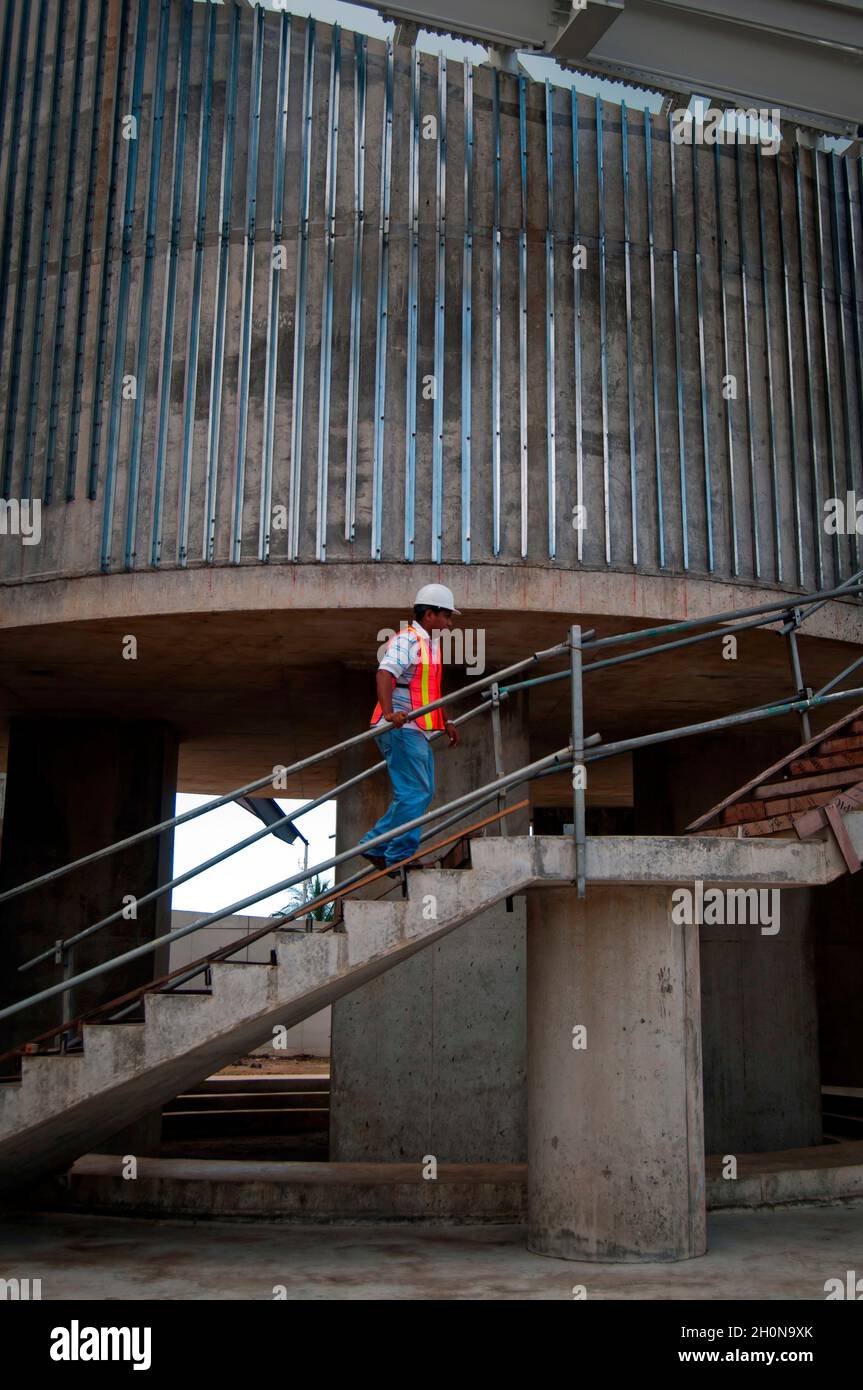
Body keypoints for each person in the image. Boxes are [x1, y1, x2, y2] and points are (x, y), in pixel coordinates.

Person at [358, 584, 461, 875]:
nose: (450, 622)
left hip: (416, 728)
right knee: (414, 793)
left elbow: (430, 690)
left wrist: (447, 720)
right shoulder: (408, 640)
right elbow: (384, 674)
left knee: (421, 793)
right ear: (429, 614)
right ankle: (397, 855)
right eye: (446, 616)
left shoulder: (430, 643)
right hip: (400, 728)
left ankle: (376, 844)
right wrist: (389, 713)